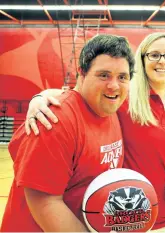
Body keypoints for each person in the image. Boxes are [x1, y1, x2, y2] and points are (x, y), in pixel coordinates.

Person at [22, 32, 165, 232]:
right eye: (154, 55)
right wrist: (40, 97)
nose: (162, 61)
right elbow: (81, 94)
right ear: (142, 59)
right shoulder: (123, 99)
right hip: (123, 221)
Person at [0, 35, 135, 232]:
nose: (114, 85)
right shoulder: (55, 120)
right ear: (81, 73)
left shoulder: (111, 109)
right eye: (104, 75)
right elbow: (45, 203)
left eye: (122, 77)